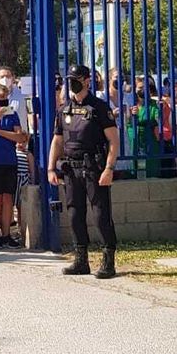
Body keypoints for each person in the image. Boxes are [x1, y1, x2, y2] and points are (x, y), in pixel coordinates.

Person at [47, 64, 120, 278]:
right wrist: (52, 167)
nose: (72, 82)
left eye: (76, 78)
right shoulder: (64, 109)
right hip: (71, 168)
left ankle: (108, 261)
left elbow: (114, 141)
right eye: (70, 78)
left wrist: (109, 168)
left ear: (88, 80)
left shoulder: (98, 107)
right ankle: (81, 260)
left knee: (100, 215)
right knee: (75, 214)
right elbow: (57, 141)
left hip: (94, 168)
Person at [0, 85, 27, 248]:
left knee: (8, 199)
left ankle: (7, 234)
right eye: (1, 98)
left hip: (10, 161)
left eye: (6, 97)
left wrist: (1, 132)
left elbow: (20, 137)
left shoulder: (13, 115)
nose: (4, 101)